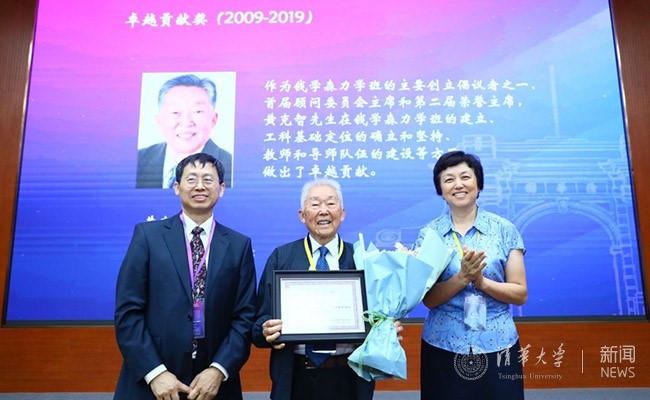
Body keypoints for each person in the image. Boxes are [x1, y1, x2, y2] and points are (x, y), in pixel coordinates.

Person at [115, 153, 256, 400]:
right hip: (152, 384)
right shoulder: (148, 237)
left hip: (213, 386)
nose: (200, 186)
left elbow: (245, 317)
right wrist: (155, 372)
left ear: (221, 189)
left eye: (208, 179)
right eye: (191, 179)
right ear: (177, 187)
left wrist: (218, 370)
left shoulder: (238, 245)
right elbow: (128, 311)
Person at [252, 179, 401, 400]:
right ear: (302, 215)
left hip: (349, 376)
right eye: (315, 204)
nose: (324, 211)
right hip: (295, 377)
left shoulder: (362, 259)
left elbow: (378, 317)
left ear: (342, 213)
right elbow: (258, 325)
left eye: (331, 203)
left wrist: (386, 328)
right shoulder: (281, 257)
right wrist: (266, 330)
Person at [416, 150, 528, 400]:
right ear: (440, 189)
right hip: (443, 343)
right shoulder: (429, 235)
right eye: (449, 179)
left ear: (478, 184)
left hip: (498, 343)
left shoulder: (504, 229)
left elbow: (520, 293)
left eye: (465, 177)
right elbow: (429, 300)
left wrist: (482, 282)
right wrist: (462, 278)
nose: (458, 184)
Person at [136, 74, 233, 189]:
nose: (186, 122)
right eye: (175, 112)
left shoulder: (231, 167)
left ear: (214, 119)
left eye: (197, 111)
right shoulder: (138, 160)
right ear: (159, 121)